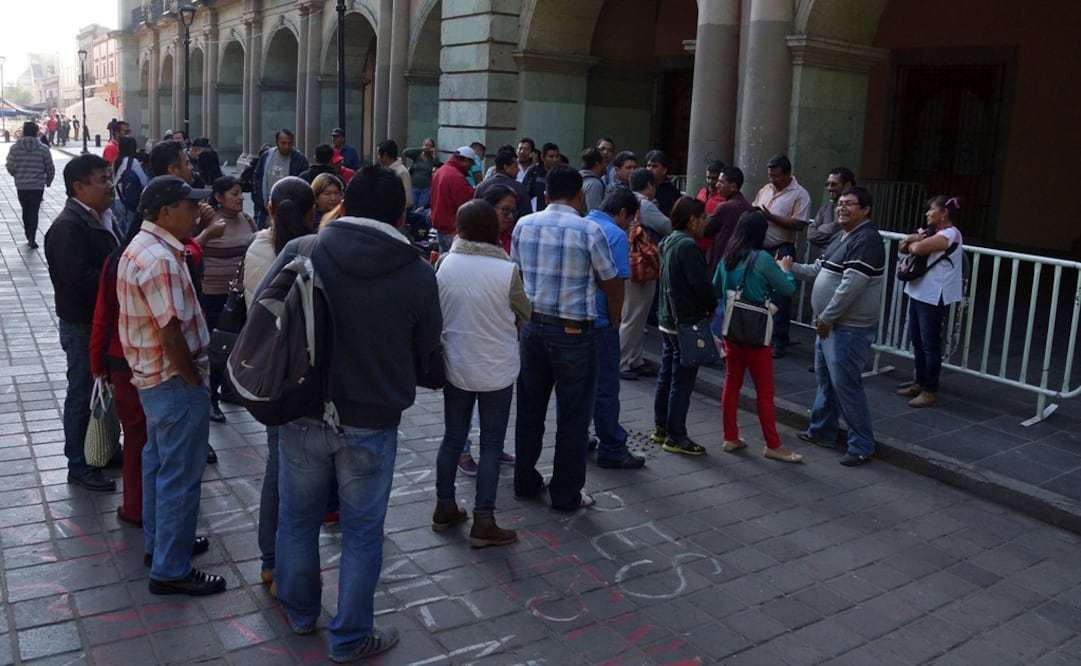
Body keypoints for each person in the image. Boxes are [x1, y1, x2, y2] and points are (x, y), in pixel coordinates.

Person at [269, 165, 442, 661]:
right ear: (402, 214)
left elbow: (264, 317)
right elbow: (428, 355)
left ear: (342, 206)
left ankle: (301, 613)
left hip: (302, 410)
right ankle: (349, 638)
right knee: (363, 532)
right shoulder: (416, 271)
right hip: (372, 419)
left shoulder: (302, 250)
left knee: (297, 518)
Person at [117, 175, 224, 595]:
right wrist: (192, 376)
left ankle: (162, 546)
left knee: (159, 466)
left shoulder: (145, 247)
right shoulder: (160, 259)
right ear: (165, 212)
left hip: (152, 379)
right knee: (179, 477)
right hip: (172, 381)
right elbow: (171, 333)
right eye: (188, 204)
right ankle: (171, 569)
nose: (196, 210)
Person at [511, 165, 623, 511]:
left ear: (546, 195)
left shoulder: (523, 224)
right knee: (573, 418)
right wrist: (614, 322)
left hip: (532, 329)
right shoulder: (589, 231)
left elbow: (516, 276)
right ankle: (565, 493)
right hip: (575, 332)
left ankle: (525, 482)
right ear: (579, 196)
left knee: (529, 409)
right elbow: (612, 283)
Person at [432, 200, 530, 546]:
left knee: (452, 438)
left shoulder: (445, 263)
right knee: (491, 444)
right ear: (492, 228)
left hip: (455, 363)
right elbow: (525, 312)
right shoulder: (507, 271)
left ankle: (444, 506)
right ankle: (483, 520)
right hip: (496, 368)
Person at [245, 176, 317, 589]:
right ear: (311, 212)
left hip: (270, 375)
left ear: (270, 209)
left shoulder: (256, 248)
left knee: (278, 465)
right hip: (308, 379)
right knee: (304, 473)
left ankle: (270, 560)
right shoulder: (316, 252)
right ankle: (291, 566)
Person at [790, 187, 885, 467]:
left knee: (847, 386)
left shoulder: (867, 239)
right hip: (830, 324)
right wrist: (789, 267)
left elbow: (852, 285)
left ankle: (861, 445)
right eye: (840, 204)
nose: (841, 208)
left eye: (849, 204)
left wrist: (828, 316)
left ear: (865, 209)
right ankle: (822, 431)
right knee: (827, 382)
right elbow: (820, 270)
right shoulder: (842, 236)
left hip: (847, 327)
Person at [44, 154, 121, 492]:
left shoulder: (103, 216)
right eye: (102, 180)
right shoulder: (67, 227)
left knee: (104, 389)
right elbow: (77, 279)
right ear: (79, 187)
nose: (110, 185)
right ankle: (79, 463)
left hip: (102, 321)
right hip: (82, 325)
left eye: (109, 177)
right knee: (81, 393)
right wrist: (122, 280)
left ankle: (105, 450)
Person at [713, 211, 802, 463]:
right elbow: (787, 288)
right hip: (757, 331)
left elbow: (717, 288)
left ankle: (730, 437)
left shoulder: (728, 257)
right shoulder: (762, 258)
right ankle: (773, 444)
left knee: (731, 384)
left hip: (732, 328)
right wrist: (785, 269)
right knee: (765, 390)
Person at [91, 222, 148, 527]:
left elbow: (102, 316)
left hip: (118, 360)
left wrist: (97, 365)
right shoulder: (160, 260)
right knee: (149, 439)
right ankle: (142, 506)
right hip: (140, 363)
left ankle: (134, 506)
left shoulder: (114, 261)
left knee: (136, 438)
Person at [651, 197, 717, 456]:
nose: (705, 223)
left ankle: (661, 427)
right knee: (681, 381)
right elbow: (701, 286)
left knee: (666, 375)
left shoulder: (668, 240)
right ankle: (676, 435)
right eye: (703, 218)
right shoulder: (688, 246)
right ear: (692, 220)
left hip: (668, 319)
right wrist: (711, 307)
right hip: (685, 322)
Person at [587, 189, 646, 469]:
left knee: (580, 384)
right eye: (630, 219)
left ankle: (580, 436)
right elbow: (617, 287)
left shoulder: (584, 223)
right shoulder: (616, 235)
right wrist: (615, 321)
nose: (629, 225)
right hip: (600, 320)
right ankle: (612, 446)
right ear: (622, 213)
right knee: (606, 386)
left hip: (577, 318)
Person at [896, 196, 964, 408]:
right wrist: (914, 239)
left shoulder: (951, 234)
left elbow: (915, 249)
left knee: (930, 344)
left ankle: (930, 389)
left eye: (931, 210)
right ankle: (920, 381)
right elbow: (902, 247)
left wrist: (914, 241)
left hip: (935, 295)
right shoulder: (931, 233)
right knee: (917, 340)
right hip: (919, 291)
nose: (927, 213)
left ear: (944, 213)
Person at [199, 176, 257, 423]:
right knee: (215, 348)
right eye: (234, 194)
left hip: (237, 295)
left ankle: (228, 389)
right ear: (218, 197)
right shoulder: (207, 221)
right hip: (211, 294)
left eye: (241, 194)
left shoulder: (247, 220)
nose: (240, 198)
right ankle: (211, 398)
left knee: (234, 344)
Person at [752, 154, 811, 359]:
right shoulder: (765, 190)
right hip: (762, 247)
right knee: (760, 292)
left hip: (782, 248)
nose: (772, 180)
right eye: (770, 175)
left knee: (780, 295)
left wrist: (771, 217)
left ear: (787, 174)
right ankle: (760, 334)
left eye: (776, 176)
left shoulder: (800, 194)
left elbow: (799, 223)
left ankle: (779, 340)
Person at [619, 167, 672, 380]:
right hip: (641, 265)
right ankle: (622, 362)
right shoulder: (644, 204)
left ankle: (635, 359)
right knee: (634, 316)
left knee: (633, 315)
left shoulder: (623, 199)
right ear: (649, 186)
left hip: (627, 263)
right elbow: (666, 225)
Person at [6, 121, 55, 249]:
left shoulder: (15, 148)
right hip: (37, 185)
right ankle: (32, 237)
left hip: (21, 185)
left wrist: (16, 175)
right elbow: (50, 167)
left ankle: (28, 234)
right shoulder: (43, 149)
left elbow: (10, 165)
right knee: (34, 211)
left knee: (25, 210)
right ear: (36, 132)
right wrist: (48, 180)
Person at [252, 129, 310, 228]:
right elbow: (257, 176)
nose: (286, 146)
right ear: (277, 142)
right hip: (265, 208)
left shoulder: (299, 160)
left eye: (289, 143)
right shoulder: (267, 156)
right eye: (283, 143)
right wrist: (259, 199)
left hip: (289, 210)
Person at [703, 166, 754, 274]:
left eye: (721, 182)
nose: (717, 185)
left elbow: (706, 230)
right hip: (741, 262)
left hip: (720, 260)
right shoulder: (749, 207)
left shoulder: (725, 207)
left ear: (733, 186)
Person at [429, 146, 476, 253]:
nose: (471, 168)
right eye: (471, 163)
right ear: (466, 160)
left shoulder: (440, 171)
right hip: (453, 229)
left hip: (441, 228)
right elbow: (467, 204)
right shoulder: (456, 177)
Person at [807, 167, 856, 251]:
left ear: (847, 185)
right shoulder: (825, 209)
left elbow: (841, 230)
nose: (829, 188)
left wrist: (821, 228)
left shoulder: (855, 209)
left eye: (834, 184)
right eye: (827, 184)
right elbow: (811, 235)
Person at [475, 146, 529, 220]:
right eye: (515, 166)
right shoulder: (519, 188)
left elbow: (474, 213)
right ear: (506, 167)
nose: (518, 170)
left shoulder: (481, 186)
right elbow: (525, 216)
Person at [112, 136, 147, 237]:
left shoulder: (117, 161)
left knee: (123, 227)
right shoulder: (132, 162)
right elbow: (143, 181)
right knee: (131, 230)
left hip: (118, 199)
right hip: (129, 200)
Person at [522, 142, 560, 213]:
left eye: (557, 156)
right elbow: (524, 193)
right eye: (551, 156)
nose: (555, 160)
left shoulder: (562, 173)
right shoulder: (534, 172)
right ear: (543, 157)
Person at [376, 139, 414, 209]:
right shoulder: (383, 170)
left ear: (385, 155)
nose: (377, 158)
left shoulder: (402, 172)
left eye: (378, 154)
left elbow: (407, 201)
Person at [404, 138, 438, 210]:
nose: (427, 147)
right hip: (414, 186)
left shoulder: (432, 159)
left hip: (425, 189)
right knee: (412, 208)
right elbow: (405, 152)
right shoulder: (417, 156)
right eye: (426, 145)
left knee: (421, 209)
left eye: (429, 146)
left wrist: (434, 155)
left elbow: (437, 167)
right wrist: (422, 149)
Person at [645, 149, 681, 217]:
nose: (650, 169)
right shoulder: (641, 186)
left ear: (664, 170)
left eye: (654, 166)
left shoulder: (672, 193)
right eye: (648, 166)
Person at [579, 147, 607, 213]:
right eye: (604, 162)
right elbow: (594, 213)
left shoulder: (579, 179)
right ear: (597, 164)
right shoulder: (594, 185)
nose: (606, 165)